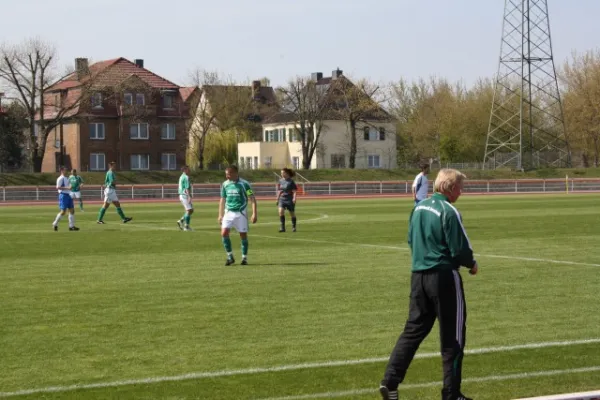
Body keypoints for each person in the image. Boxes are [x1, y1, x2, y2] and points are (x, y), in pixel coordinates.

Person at [379, 168, 478, 400]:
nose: (461, 192)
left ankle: (390, 381)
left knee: (413, 331)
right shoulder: (448, 210)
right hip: (444, 277)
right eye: (460, 187)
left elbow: (410, 239)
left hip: (418, 277)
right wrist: (471, 264)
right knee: (453, 335)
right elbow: (459, 248)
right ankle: (451, 393)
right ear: (449, 188)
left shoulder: (418, 208)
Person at [218, 165, 257, 266]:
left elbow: (252, 198)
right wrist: (220, 214)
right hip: (228, 212)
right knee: (224, 233)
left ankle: (244, 258)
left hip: (241, 213)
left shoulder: (245, 184)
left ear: (235, 173)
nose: (227, 176)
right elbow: (222, 199)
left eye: (229, 174)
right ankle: (230, 256)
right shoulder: (225, 184)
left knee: (242, 235)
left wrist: (254, 213)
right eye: (226, 174)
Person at [52, 166, 79, 231]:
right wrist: (67, 188)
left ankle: (71, 226)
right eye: (65, 170)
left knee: (72, 210)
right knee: (63, 211)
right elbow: (57, 187)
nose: (66, 171)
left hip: (69, 195)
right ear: (62, 171)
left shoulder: (67, 178)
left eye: (66, 170)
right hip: (63, 195)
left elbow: (69, 186)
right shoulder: (60, 178)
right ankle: (55, 223)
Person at [276, 167, 298, 232]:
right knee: (280, 212)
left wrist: (294, 198)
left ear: (287, 173)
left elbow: (294, 191)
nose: (282, 174)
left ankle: (294, 227)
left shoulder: (291, 181)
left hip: (289, 199)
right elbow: (280, 190)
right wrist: (277, 199)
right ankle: (282, 228)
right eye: (281, 173)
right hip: (282, 199)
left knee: (292, 213)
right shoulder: (280, 180)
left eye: (283, 173)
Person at [177, 165, 193, 231]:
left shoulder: (181, 176)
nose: (189, 170)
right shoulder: (186, 177)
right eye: (188, 169)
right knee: (189, 210)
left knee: (191, 210)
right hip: (184, 195)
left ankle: (181, 221)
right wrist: (189, 196)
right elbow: (186, 188)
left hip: (181, 195)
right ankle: (186, 226)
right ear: (185, 170)